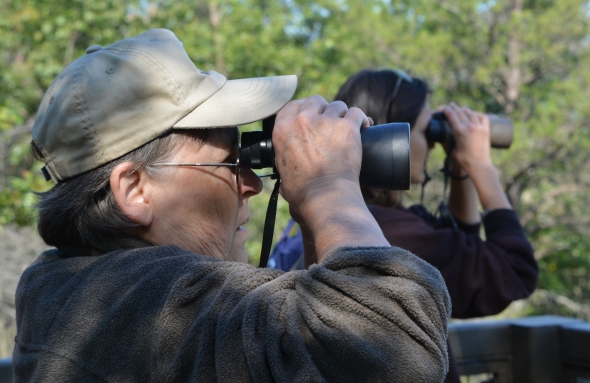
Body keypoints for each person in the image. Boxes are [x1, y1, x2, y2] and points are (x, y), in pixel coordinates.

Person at [12, 30, 451, 382]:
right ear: (135, 190)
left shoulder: (54, 286)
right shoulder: (153, 304)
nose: (250, 185)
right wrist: (326, 184)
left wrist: (314, 213)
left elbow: (302, 350)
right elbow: (395, 350)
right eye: (228, 163)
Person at [268, 69, 538, 382]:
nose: (434, 145)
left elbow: (460, 254)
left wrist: (461, 169)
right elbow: (514, 270)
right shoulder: (383, 233)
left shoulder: (345, 218)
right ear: (394, 135)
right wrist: (483, 168)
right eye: (427, 131)